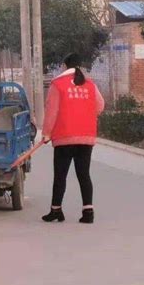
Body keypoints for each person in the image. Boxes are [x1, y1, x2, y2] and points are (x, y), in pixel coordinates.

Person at [41, 53, 104, 224]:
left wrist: (46, 133)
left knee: (60, 175)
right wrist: (84, 116)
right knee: (84, 174)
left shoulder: (58, 84)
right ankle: (88, 212)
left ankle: (56, 211)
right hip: (86, 136)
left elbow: (51, 110)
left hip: (64, 136)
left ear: (63, 66)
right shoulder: (90, 84)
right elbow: (100, 105)